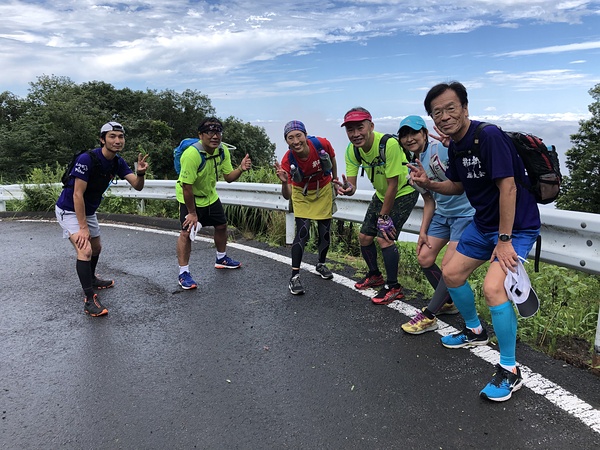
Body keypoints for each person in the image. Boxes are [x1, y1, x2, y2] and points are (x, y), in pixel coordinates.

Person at [410, 81, 541, 401]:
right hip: (483, 225)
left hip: (516, 227)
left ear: (465, 108)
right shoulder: (456, 146)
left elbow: (507, 189)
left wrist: (506, 240)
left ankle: (510, 370)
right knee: (451, 272)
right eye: (436, 112)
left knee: (494, 288)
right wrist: (430, 183)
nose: (443, 116)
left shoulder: (489, 137)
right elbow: (456, 186)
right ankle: (475, 331)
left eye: (450, 108)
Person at [55, 121, 149, 317]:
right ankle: (89, 299)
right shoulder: (86, 159)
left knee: (97, 247)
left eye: (120, 137)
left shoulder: (117, 161)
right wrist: (82, 228)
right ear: (102, 139)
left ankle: (92, 278)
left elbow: (137, 186)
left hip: (87, 211)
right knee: (86, 249)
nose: (117, 140)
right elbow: (77, 195)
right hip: (69, 209)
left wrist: (141, 173)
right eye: (112, 136)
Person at [397, 115, 475, 334]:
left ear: (424, 133)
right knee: (424, 258)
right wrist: (422, 231)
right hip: (442, 214)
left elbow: (463, 168)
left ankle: (430, 315)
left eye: (414, 133)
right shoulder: (411, 166)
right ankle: (448, 303)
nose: (410, 138)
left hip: (466, 214)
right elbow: (429, 200)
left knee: (450, 267)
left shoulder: (439, 149)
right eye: (404, 135)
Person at [334, 107, 418, 305]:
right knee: (364, 237)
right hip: (382, 194)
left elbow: (393, 185)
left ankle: (393, 286)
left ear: (371, 126)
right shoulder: (352, 150)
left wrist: (383, 217)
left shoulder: (388, 144)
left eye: (360, 128)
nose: (355, 134)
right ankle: (374, 275)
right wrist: (348, 188)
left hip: (403, 192)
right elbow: (352, 185)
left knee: (384, 239)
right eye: (350, 130)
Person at [176, 117, 251, 289]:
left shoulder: (222, 150)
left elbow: (229, 178)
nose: (215, 136)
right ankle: (183, 273)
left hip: (209, 195)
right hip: (190, 198)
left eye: (218, 132)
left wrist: (240, 169)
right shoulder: (192, 155)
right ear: (201, 135)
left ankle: (221, 258)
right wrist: (192, 213)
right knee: (186, 233)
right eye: (210, 132)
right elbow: (187, 187)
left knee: (222, 226)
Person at [274, 120, 337, 295]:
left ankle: (321, 264)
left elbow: (331, 158)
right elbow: (287, 195)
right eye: (290, 138)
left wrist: (335, 179)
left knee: (325, 230)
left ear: (305, 135)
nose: (295, 141)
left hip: (323, 188)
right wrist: (285, 182)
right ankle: (294, 277)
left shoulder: (321, 144)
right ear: (286, 141)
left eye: (298, 136)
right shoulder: (288, 159)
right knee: (303, 232)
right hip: (301, 192)